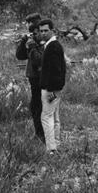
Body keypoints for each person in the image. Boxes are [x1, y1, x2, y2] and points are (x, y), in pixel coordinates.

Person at [38, 18, 66, 154]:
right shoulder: (52, 45)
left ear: (52, 31)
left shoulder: (53, 46)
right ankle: (56, 144)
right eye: (41, 31)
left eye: (46, 30)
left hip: (51, 89)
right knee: (54, 117)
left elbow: (55, 70)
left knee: (46, 117)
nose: (43, 33)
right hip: (55, 88)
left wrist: (50, 89)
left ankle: (51, 148)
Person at [15, 17, 45, 142]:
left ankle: (43, 134)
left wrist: (33, 47)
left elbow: (39, 60)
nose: (33, 34)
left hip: (42, 78)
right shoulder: (32, 42)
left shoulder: (45, 43)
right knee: (35, 106)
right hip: (33, 78)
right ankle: (38, 133)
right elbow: (20, 56)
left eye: (35, 32)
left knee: (41, 107)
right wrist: (23, 42)